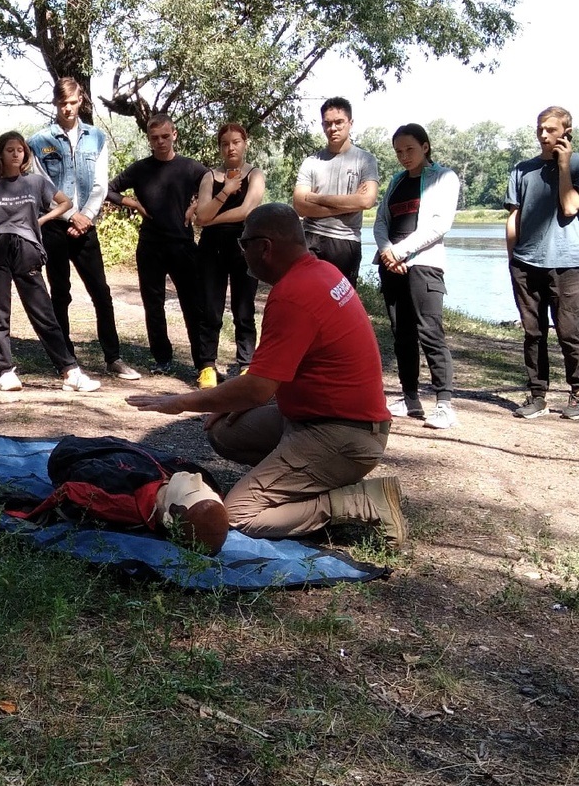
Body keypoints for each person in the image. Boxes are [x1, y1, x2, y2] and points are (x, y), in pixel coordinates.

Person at [128, 203, 406, 547]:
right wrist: (232, 403)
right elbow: (271, 376)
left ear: (265, 247)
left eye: (244, 244)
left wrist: (181, 402)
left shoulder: (293, 295)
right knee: (224, 431)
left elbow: (258, 389)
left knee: (240, 515)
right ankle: (306, 479)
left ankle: (358, 501)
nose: (241, 252)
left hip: (346, 435)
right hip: (320, 420)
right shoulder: (322, 272)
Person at [0, 132, 101, 392]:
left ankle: (70, 372)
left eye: (20, 150)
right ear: (0, 154)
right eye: (9, 150)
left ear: (25, 154)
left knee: (43, 312)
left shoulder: (35, 182)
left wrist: (42, 220)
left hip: (27, 249)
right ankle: (5, 372)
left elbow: (65, 202)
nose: (16, 154)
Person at [28, 77, 140, 380]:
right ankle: (66, 360)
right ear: (55, 103)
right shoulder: (38, 142)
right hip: (55, 226)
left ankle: (113, 357)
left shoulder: (96, 138)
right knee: (60, 293)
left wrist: (85, 217)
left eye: (73, 102)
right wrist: (69, 216)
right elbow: (43, 187)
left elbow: (101, 184)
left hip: (86, 227)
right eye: (62, 103)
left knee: (101, 293)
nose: (68, 108)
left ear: (81, 102)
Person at [505, 106, 579, 421]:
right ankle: (537, 394)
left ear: (566, 133)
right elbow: (514, 215)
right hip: (526, 263)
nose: (544, 135)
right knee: (534, 332)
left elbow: (570, 206)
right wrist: (511, 258)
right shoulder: (521, 170)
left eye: (551, 130)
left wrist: (564, 164)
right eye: (540, 128)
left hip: (568, 264)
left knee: (568, 330)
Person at [105, 113, 209, 379]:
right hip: (150, 245)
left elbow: (214, 184)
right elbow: (107, 189)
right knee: (154, 305)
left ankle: (202, 364)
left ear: (174, 135)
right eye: (155, 138)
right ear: (149, 140)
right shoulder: (140, 169)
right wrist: (134, 204)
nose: (160, 142)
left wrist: (195, 205)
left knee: (192, 304)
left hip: (183, 245)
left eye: (165, 136)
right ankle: (162, 358)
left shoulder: (191, 168)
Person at [373, 123, 461, 429]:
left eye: (409, 149)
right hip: (392, 265)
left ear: (425, 146)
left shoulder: (444, 178)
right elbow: (381, 220)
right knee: (402, 335)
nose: (404, 156)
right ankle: (410, 399)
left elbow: (439, 225)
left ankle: (445, 404)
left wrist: (400, 252)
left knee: (430, 332)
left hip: (424, 265)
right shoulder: (397, 182)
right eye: (398, 151)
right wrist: (387, 251)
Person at [190, 121, 265, 384]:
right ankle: (207, 366)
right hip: (211, 249)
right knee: (210, 309)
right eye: (225, 143)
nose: (230, 147)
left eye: (235, 142)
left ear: (245, 144)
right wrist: (226, 192)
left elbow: (246, 211)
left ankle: (247, 365)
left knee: (244, 310)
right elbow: (200, 217)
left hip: (245, 248)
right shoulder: (210, 176)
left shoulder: (255, 174)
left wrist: (211, 216)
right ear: (220, 147)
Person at [293, 97, 380, 288]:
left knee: (340, 302)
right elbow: (299, 206)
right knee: (308, 297)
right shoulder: (311, 162)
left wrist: (316, 198)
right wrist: (349, 205)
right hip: (310, 237)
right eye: (327, 123)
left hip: (345, 242)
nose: (333, 128)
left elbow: (366, 201)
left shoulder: (365, 160)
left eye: (339, 122)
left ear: (350, 123)